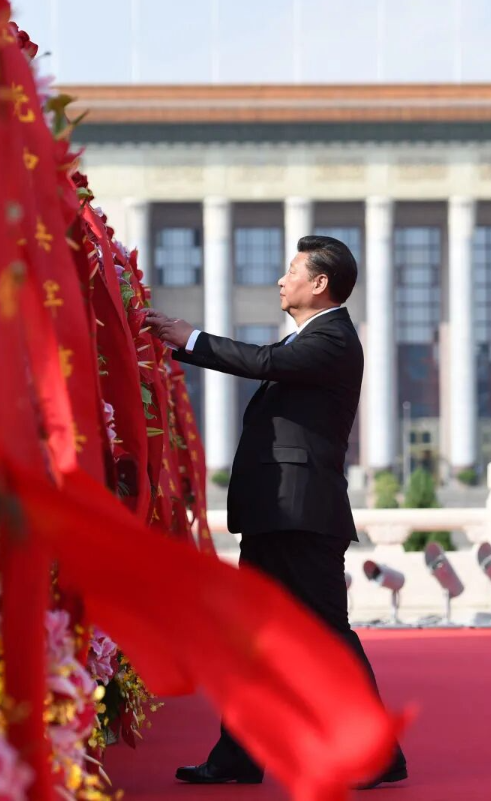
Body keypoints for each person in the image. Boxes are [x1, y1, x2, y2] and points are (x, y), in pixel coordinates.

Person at [145, 235, 407, 790]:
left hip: (301, 513)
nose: (281, 280)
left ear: (320, 283)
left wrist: (189, 338)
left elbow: (264, 362)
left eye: (292, 270)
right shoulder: (308, 340)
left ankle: (377, 752)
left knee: (327, 634)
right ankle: (240, 755)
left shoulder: (333, 339)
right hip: (278, 512)